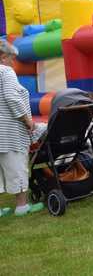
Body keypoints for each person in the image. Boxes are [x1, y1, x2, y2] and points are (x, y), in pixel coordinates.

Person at [0, 40, 44, 217]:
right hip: (10, 130)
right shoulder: (6, 71)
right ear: (3, 57)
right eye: (12, 59)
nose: (13, 63)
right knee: (18, 165)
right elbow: (12, 98)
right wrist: (28, 121)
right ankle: (22, 206)